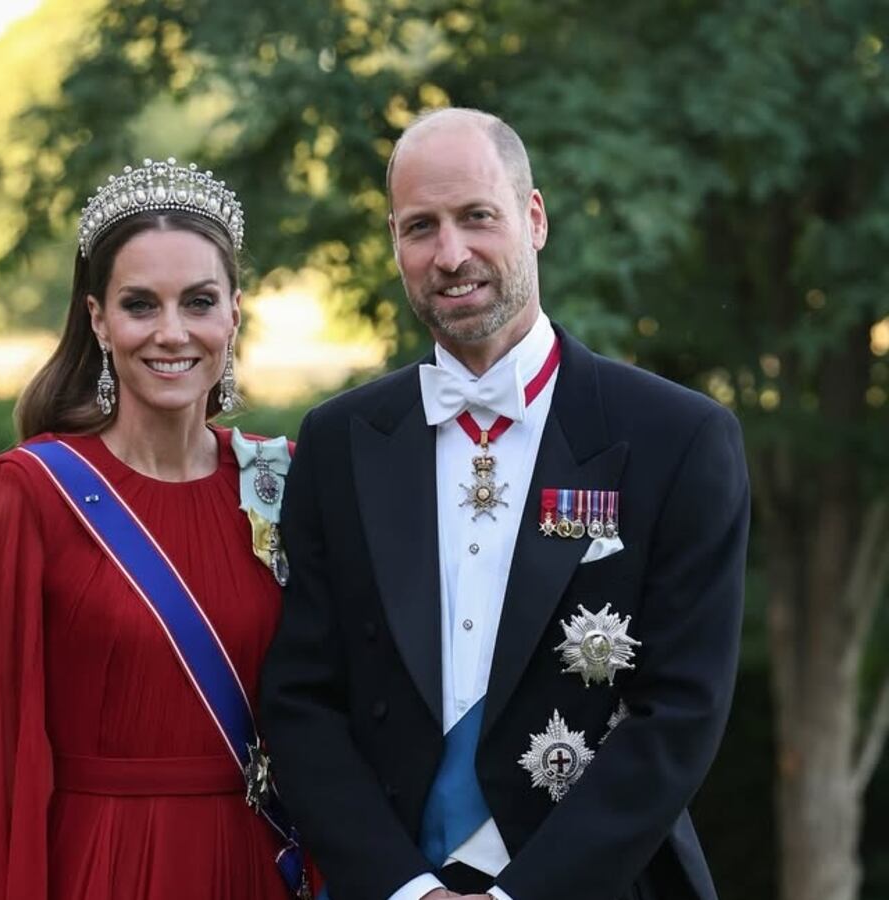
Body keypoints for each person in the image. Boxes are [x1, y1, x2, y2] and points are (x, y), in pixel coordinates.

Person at [260, 108, 749, 900]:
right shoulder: (339, 440)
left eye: (476, 217)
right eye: (421, 227)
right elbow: (301, 699)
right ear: (395, 243)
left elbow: (681, 713)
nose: (451, 254)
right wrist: (403, 889)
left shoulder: (679, 439)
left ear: (533, 218)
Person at [0, 158, 307, 900]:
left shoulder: (283, 478)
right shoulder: (33, 492)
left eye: (198, 302)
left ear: (235, 312)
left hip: (262, 862)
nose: (172, 333)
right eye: (141, 305)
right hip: (106, 864)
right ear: (99, 319)